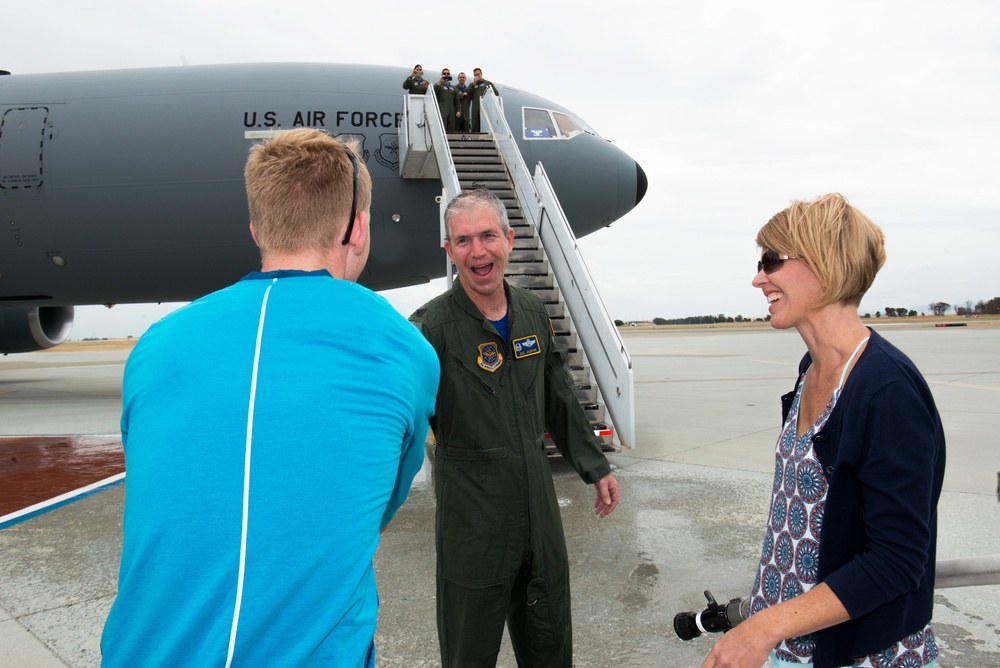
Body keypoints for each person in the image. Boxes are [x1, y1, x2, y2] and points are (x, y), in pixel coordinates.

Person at [100, 128, 440, 667]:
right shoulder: (405, 350)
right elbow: (381, 503)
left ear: (257, 228)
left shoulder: (154, 347)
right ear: (357, 228)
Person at [702, 194, 945, 668]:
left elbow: (896, 561)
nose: (758, 278)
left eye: (771, 261)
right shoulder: (809, 368)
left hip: (858, 656)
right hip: (790, 644)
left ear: (825, 264)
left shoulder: (886, 389)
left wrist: (761, 628)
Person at [410, 188, 620, 667]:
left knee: (549, 645)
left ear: (509, 239)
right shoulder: (429, 330)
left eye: (488, 236)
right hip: (472, 526)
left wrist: (594, 466)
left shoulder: (531, 314)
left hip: (539, 517)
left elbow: (559, 397)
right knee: (469, 653)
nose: (478, 252)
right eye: (463, 241)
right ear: (449, 250)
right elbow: (395, 419)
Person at [468, 67, 499, 133]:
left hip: (485, 107)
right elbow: (468, 94)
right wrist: (474, 84)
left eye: (478, 74)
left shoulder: (487, 83)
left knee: (485, 122)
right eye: (475, 75)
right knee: (475, 122)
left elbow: (496, 93)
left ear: (481, 74)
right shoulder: (472, 85)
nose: (477, 76)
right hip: (475, 107)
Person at [434, 68, 461, 132]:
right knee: (443, 129)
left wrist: (459, 110)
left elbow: (457, 101)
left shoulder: (453, 88)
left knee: (451, 130)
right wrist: (440, 81)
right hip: (443, 112)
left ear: (450, 75)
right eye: (444, 74)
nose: (446, 75)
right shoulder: (439, 86)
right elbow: (434, 92)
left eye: (447, 74)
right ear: (442, 75)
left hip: (451, 113)